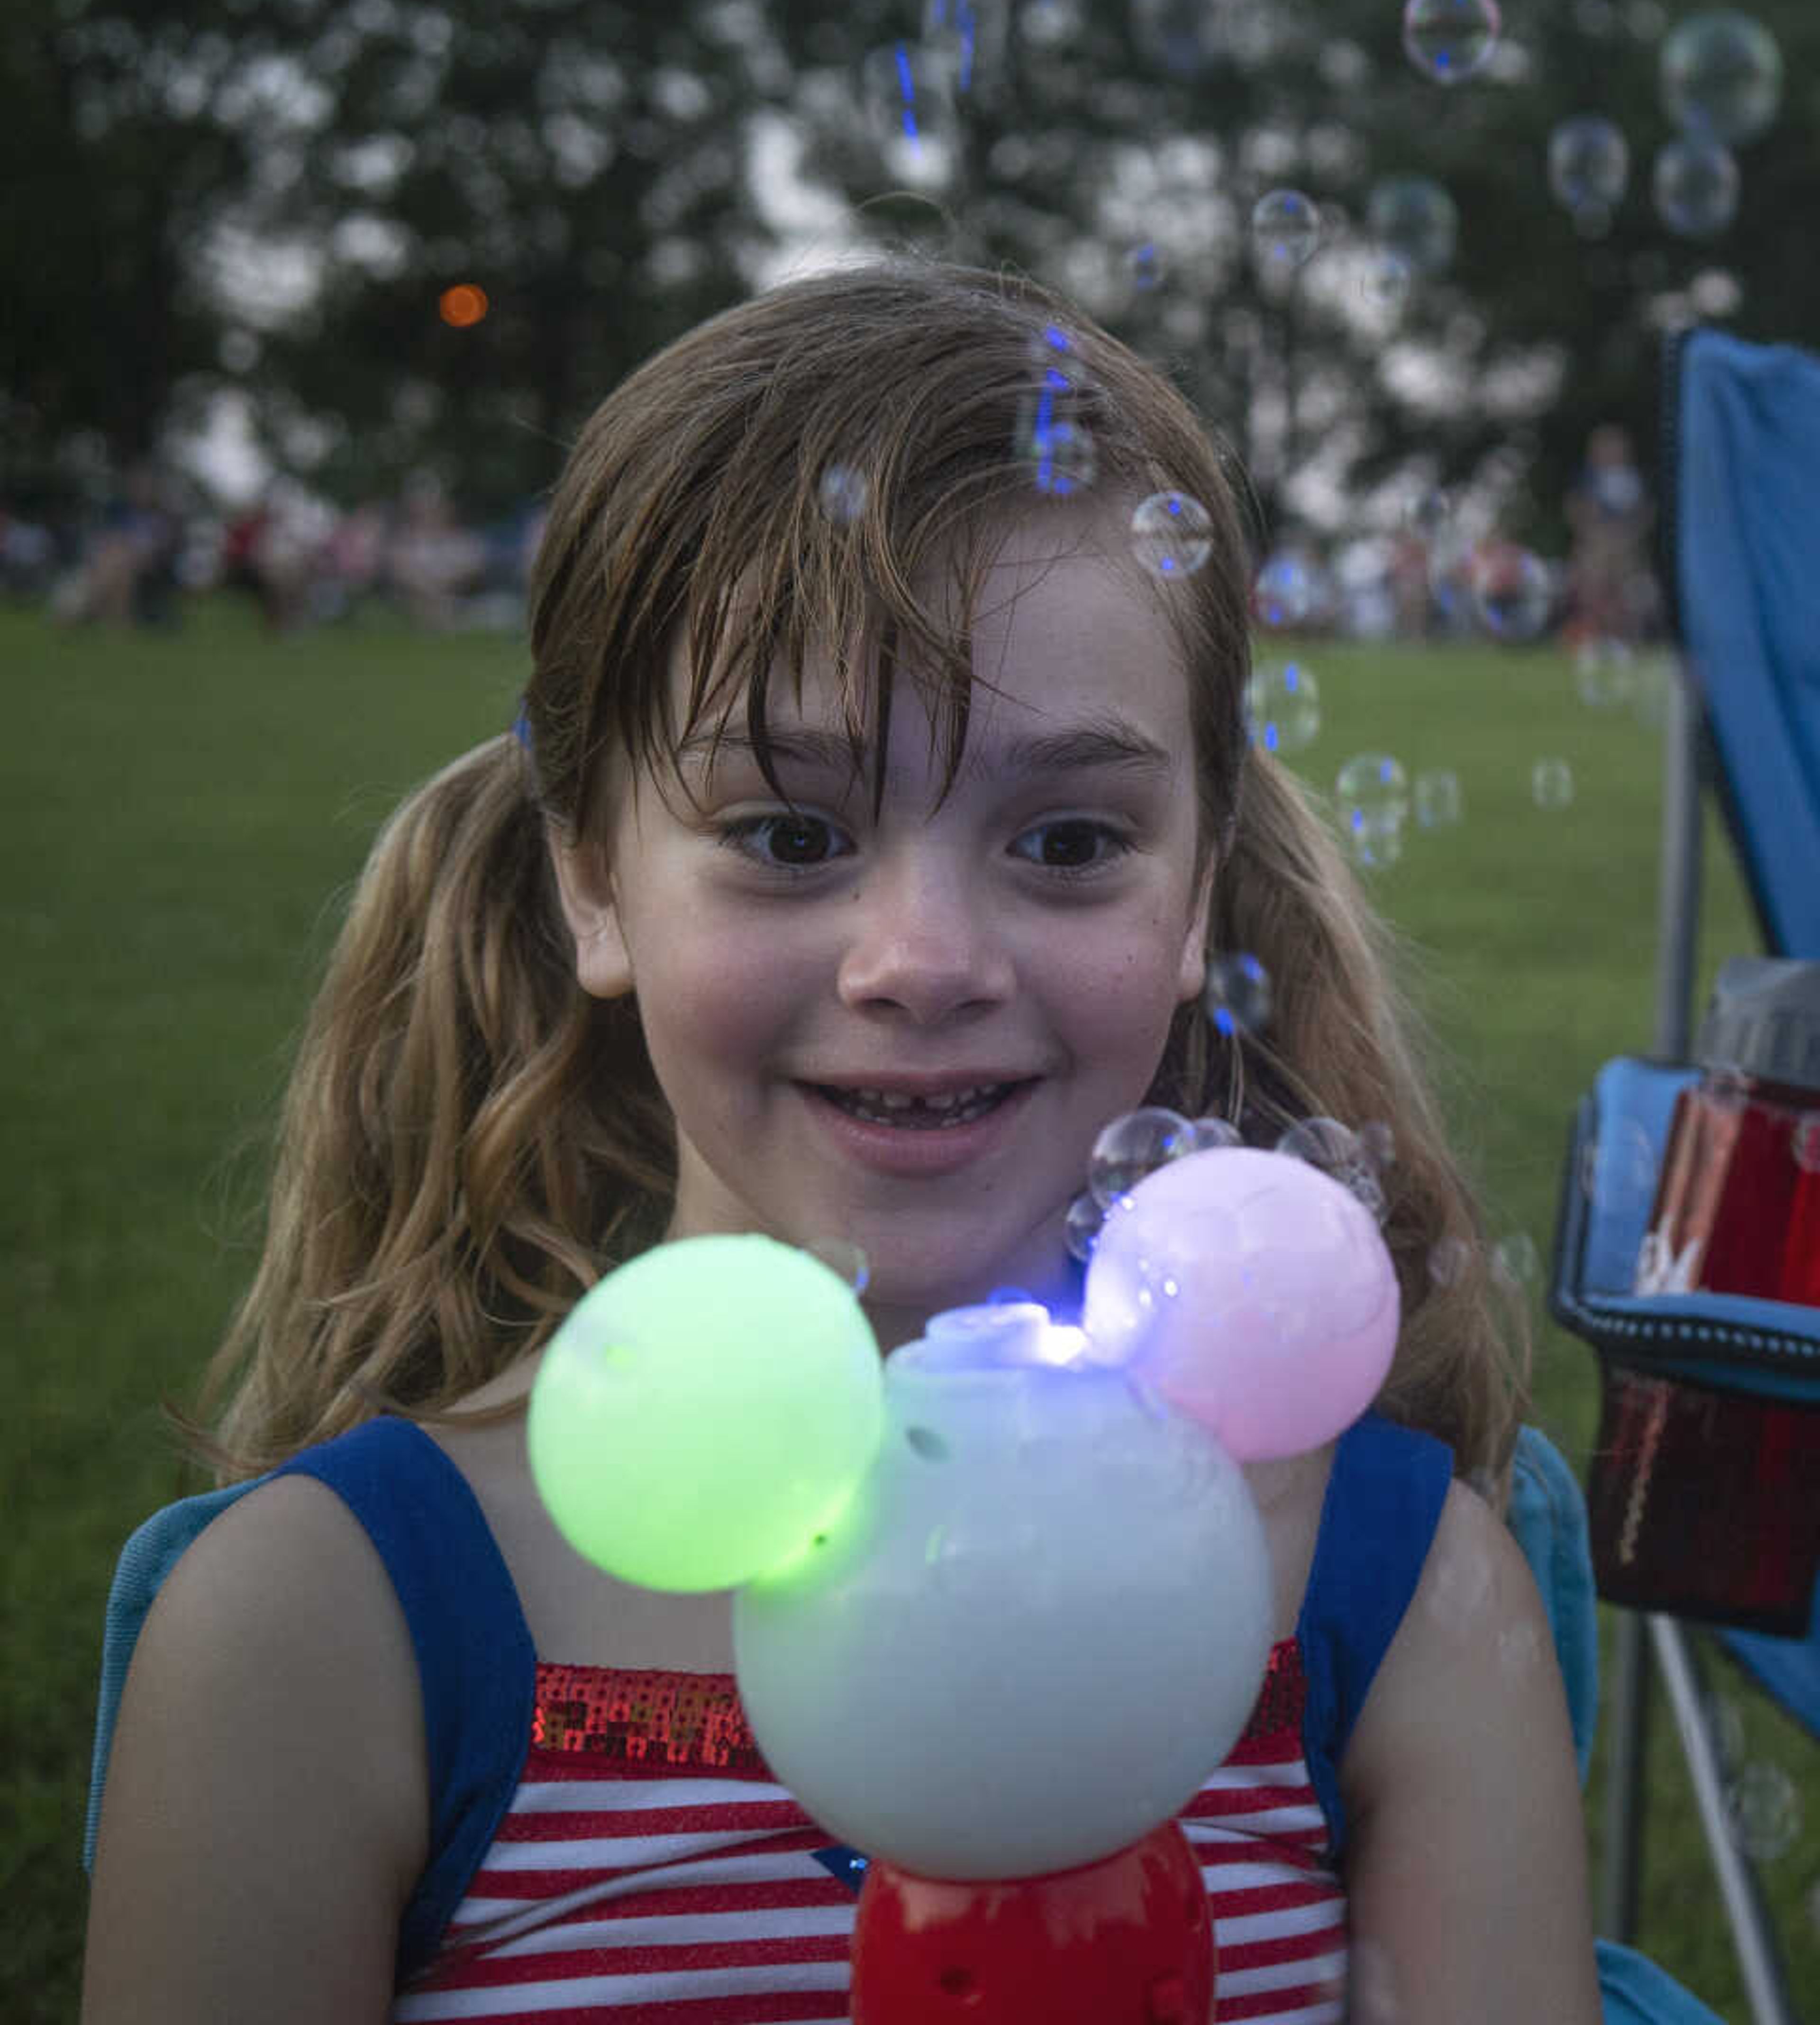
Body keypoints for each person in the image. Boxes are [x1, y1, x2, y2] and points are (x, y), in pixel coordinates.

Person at [81, 261, 1602, 2025]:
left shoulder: (1388, 1591)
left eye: (1072, 841)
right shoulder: (331, 1630)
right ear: (591, 878)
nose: (924, 962)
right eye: (791, 831)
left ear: (1201, 893)